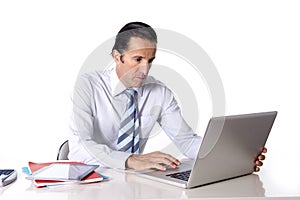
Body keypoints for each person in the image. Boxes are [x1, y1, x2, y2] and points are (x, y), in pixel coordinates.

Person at [68, 22, 266, 171]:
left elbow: (187, 142)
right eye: (137, 59)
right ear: (117, 57)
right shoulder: (88, 86)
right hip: (93, 180)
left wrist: (233, 155)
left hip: (132, 182)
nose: (144, 70)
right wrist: (130, 160)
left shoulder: (159, 92)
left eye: (150, 60)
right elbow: (79, 148)